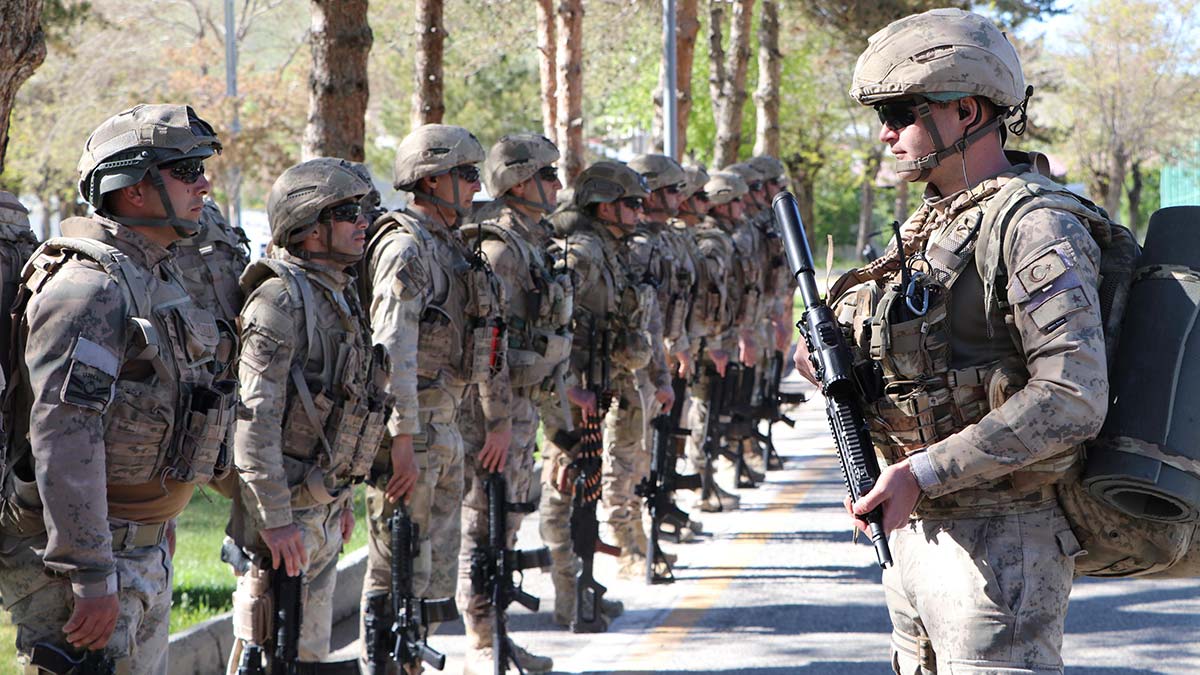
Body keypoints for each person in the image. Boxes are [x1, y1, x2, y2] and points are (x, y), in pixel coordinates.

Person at [801, 8, 1107, 673]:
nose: (886, 134)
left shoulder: (1036, 226)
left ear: (965, 110)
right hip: (917, 534)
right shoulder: (926, 230)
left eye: (901, 112)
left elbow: (1073, 396)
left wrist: (924, 469)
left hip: (1005, 543)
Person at [0, 103, 235, 673]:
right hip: (87, 562)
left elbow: (148, 415)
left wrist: (163, 521)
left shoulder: (150, 274)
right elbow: (64, 436)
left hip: (135, 545)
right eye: (185, 170)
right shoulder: (88, 288)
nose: (203, 183)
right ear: (132, 186)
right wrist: (90, 571)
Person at [358, 124, 510, 672]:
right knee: (393, 570)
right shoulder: (406, 249)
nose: (476, 186)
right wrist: (401, 435)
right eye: (467, 175)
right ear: (432, 179)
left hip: (443, 428)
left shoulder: (453, 248)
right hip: (413, 433)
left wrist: (493, 419)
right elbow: (391, 348)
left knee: (428, 579)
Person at [225, 158, 387, 669]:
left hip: (318, 509)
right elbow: (252, 424)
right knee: (265, 653)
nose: (362, 222)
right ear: (309, 225)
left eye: (362, 210)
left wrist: (339, 502)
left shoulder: (338, 294)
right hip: (283, 519)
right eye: (347, 211)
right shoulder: (278, 301)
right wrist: (274, 522)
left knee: (308, 657)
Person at [455, 132, 572, 674]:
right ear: (521, 183)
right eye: (549, 175)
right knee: (484, 522)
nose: (557, 184)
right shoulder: (500, 251)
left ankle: (497, 632)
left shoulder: (530, 241)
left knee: (505, 524)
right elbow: (491, 347)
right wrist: (497, 423)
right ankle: (482, 641)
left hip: (520, 410)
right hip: (491, 415)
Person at [540, 160, 655, 624]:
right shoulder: (582, 253)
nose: (639, 212)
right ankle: (569, 601)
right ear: (605, 207)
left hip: (597, 389)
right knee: (564, 493)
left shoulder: (610, 249)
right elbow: (554, 323)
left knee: (584, 497)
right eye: (632, 204)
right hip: (572, 399)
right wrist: (567, 388)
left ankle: (584, 589)